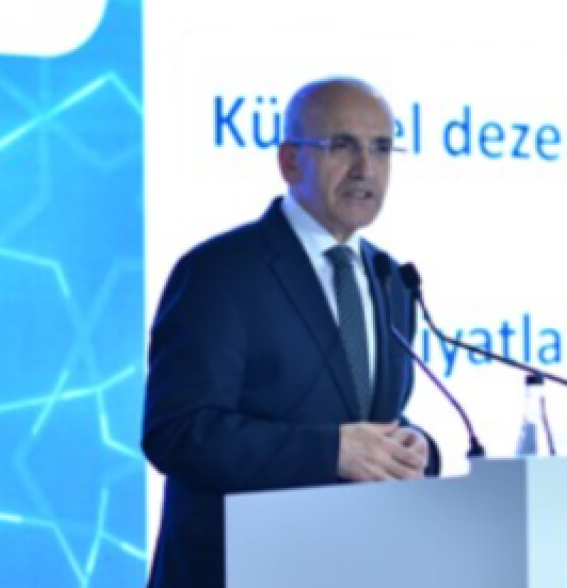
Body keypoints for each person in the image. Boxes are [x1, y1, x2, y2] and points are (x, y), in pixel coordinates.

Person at [142, 77, 441, 588]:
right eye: (342, 145)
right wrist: (332, 452)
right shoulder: (220, 271)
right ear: (289, 162)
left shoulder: (391, 279)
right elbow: (179, 433)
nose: (365, 168)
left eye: (381, 148)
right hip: (231, 570)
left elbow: (363, 417)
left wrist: (415, 448)